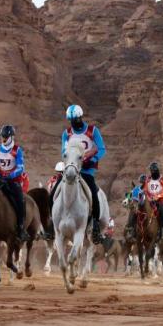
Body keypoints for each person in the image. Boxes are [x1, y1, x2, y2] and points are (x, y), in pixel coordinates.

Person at [61, 105, 106, 245]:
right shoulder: (66, 133)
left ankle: (96, 225)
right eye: (71, 120)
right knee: (55, 191)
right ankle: (53, 223)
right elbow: (64, 151)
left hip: (86, 171)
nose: (74, 122)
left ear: (81, 117)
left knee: (93, 193)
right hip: (72, 169)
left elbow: (102, 149)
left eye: (76, 119)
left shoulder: (93, 131)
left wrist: (91, 159)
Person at [0, 125, 31, 242]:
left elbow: (20, 167)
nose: (4, 138)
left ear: (11, 137)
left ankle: (21, 228)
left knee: (20, 200)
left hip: (13, 182)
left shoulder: (17, 150)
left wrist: (9, 176)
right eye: (3, 136)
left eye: (6, 136)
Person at [142, 162, 163, 240]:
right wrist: (148, 197)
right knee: (139, 209)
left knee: (162, 213)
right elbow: (145, 190)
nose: (151, 172)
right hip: (150, 200)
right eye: (150, 171)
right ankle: (134, 229)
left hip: (159, 201)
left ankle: (162, 230)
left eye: (152, 170)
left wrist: (158, 197)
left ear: (155, 171)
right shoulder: (148, 179)